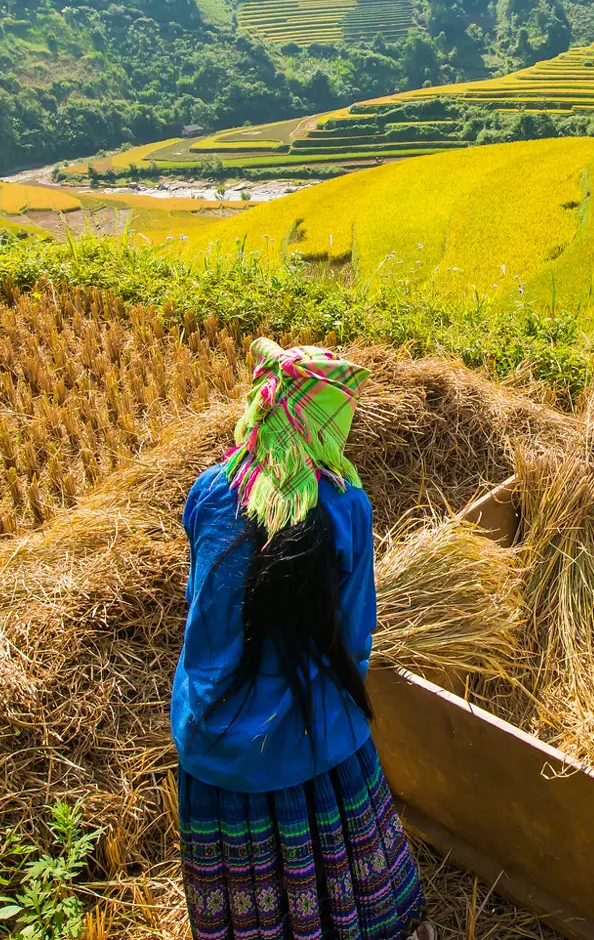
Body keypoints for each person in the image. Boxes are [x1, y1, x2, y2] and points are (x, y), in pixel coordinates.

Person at [171, 338, 431, 940]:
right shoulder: (347, 506)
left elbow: (203, 607)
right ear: (324, 425)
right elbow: (358, 633)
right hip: (316, 739)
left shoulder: (211, 491)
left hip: (213, 741)